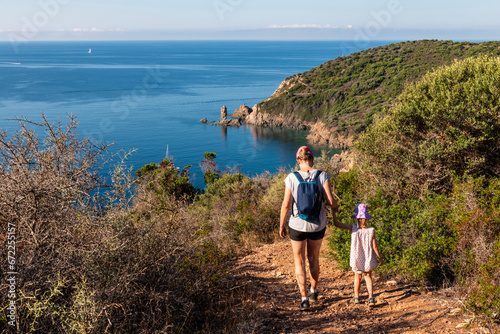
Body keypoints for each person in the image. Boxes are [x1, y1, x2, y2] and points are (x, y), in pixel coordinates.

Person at [280, 146, 338, 311]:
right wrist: (336, 208)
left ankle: (304, 299)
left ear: (298, 161)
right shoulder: (322, 175)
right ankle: (313, 291)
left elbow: (285, 205)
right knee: (313, 258)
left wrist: (281, 225)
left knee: (299, 261)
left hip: (296, 225)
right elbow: (331, 201)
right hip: (317, 225)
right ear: (312, 159)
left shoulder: (292, 177)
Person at [332, 204, 383, 306]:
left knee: (357, 277)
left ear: (357, 218)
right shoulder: (371, 230)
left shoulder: (353, 228)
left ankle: (356, 297)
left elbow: (337, 224)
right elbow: (374, 247)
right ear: (366, 219)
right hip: (368, 257)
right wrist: (380, 258)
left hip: (356, 258)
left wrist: (333, 212)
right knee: (368, 276)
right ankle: (371, 298)